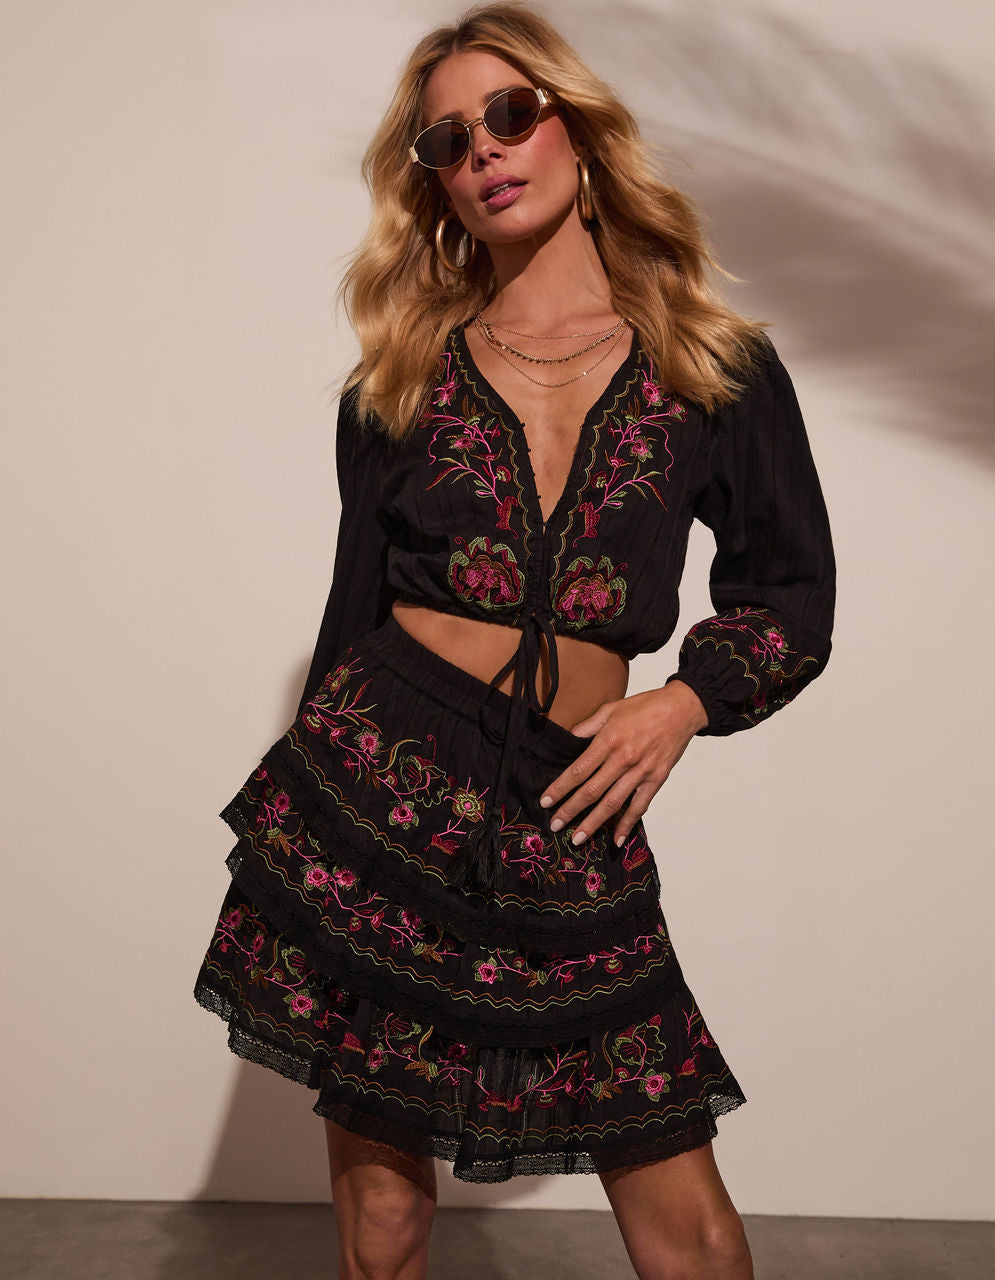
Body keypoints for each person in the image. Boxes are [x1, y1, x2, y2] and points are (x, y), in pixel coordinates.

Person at [193, 3, 836, 1277]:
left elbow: (791, 595)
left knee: (693, 1233)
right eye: (446, 139)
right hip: (378, 785)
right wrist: (305, 824)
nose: (482, 147)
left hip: (567, 796)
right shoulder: (399, 378)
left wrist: (680, 703)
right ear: (434, 184)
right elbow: (354, 608)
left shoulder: (713, 365)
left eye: (508, 112)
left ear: (576, 132)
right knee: (385, 1219)